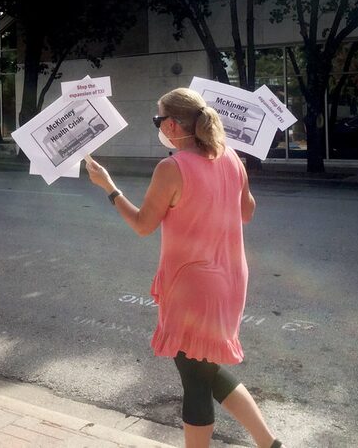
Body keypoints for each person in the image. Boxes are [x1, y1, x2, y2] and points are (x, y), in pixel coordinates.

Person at [85, 88, 282, 448]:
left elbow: (144, 225)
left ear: (174, 125)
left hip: (193, 285)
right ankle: (270, 443)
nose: (158, 126)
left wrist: (109, 187)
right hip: (229, 280)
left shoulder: (171, 167)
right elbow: (247, 212)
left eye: (158, 120)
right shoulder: (231, 158)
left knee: (194, 379)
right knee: (205, 368)